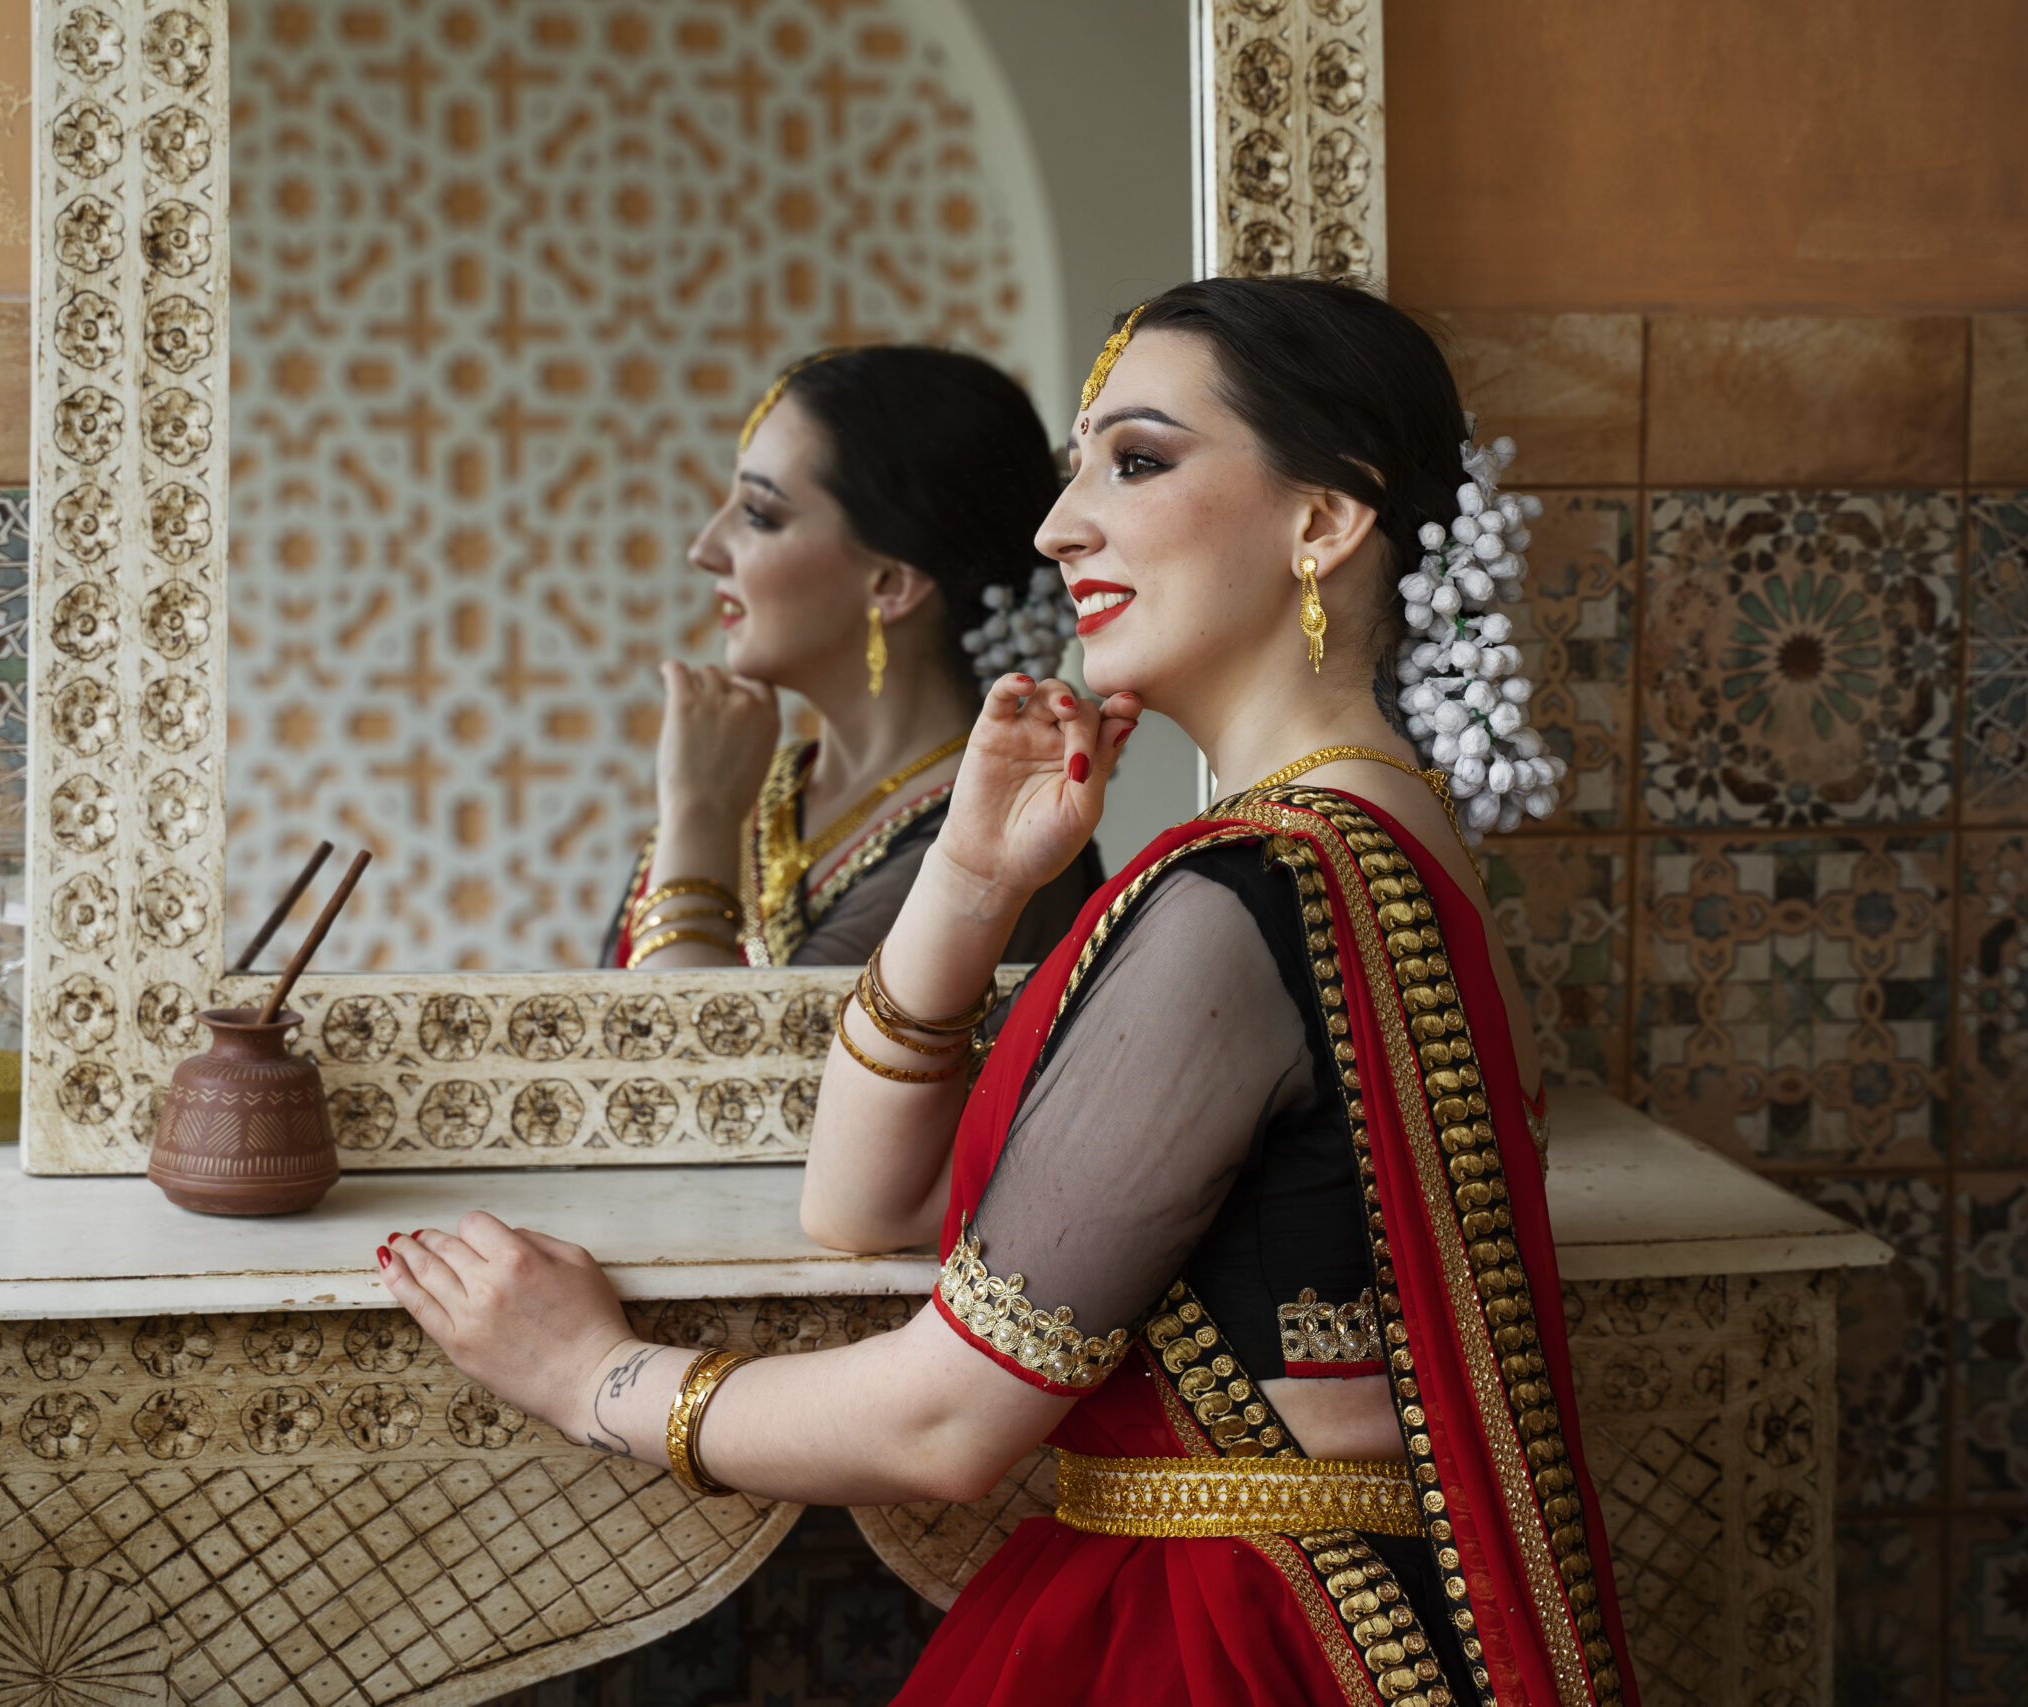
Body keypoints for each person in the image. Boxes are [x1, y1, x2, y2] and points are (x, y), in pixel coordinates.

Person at [387, 277, 1636, 1707]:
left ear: (1321, 522)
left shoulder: (1245, 896)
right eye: (1071, 471)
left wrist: (592, 1376)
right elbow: (866, 1206)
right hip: (1306, 1608)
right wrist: (971, 878)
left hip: (1231, 1637)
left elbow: (945, 1421)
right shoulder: (1384, 844)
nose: (1061, 528)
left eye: (1140, 461)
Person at [605, 344, 1103, 969]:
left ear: (890, 584)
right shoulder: (749, 794)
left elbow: (715, 1064)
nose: (705, 548)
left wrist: (697, 819)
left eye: (759, 515)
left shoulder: (1001, 838)